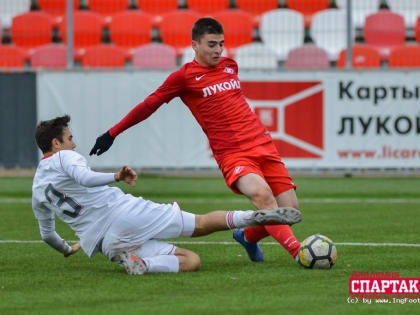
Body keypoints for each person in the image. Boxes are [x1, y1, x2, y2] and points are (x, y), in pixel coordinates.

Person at [90, 18, 302, 264]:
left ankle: (247, 237)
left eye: (221, 44)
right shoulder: (184, 77)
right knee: (263, 196)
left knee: (291, 211)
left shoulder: (230, 66)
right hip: (233, 154)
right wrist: (112, 133)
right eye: (211, 44)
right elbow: (149, 105)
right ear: (195, 45)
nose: (218, 50)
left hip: (263, 145)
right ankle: (301, 253)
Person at [32, 115, 302, 275]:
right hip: (126, 215)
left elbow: (47, 234)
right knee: (200, 224)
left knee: (191, 262)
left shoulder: (37, 188)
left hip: (106, 244)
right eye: (69, 138)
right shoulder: (65, 157)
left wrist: (67, 249)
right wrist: (115, 176)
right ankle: (253, 217)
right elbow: (84, 178)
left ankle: (143, 264)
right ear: (56, 144)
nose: (74, 143)